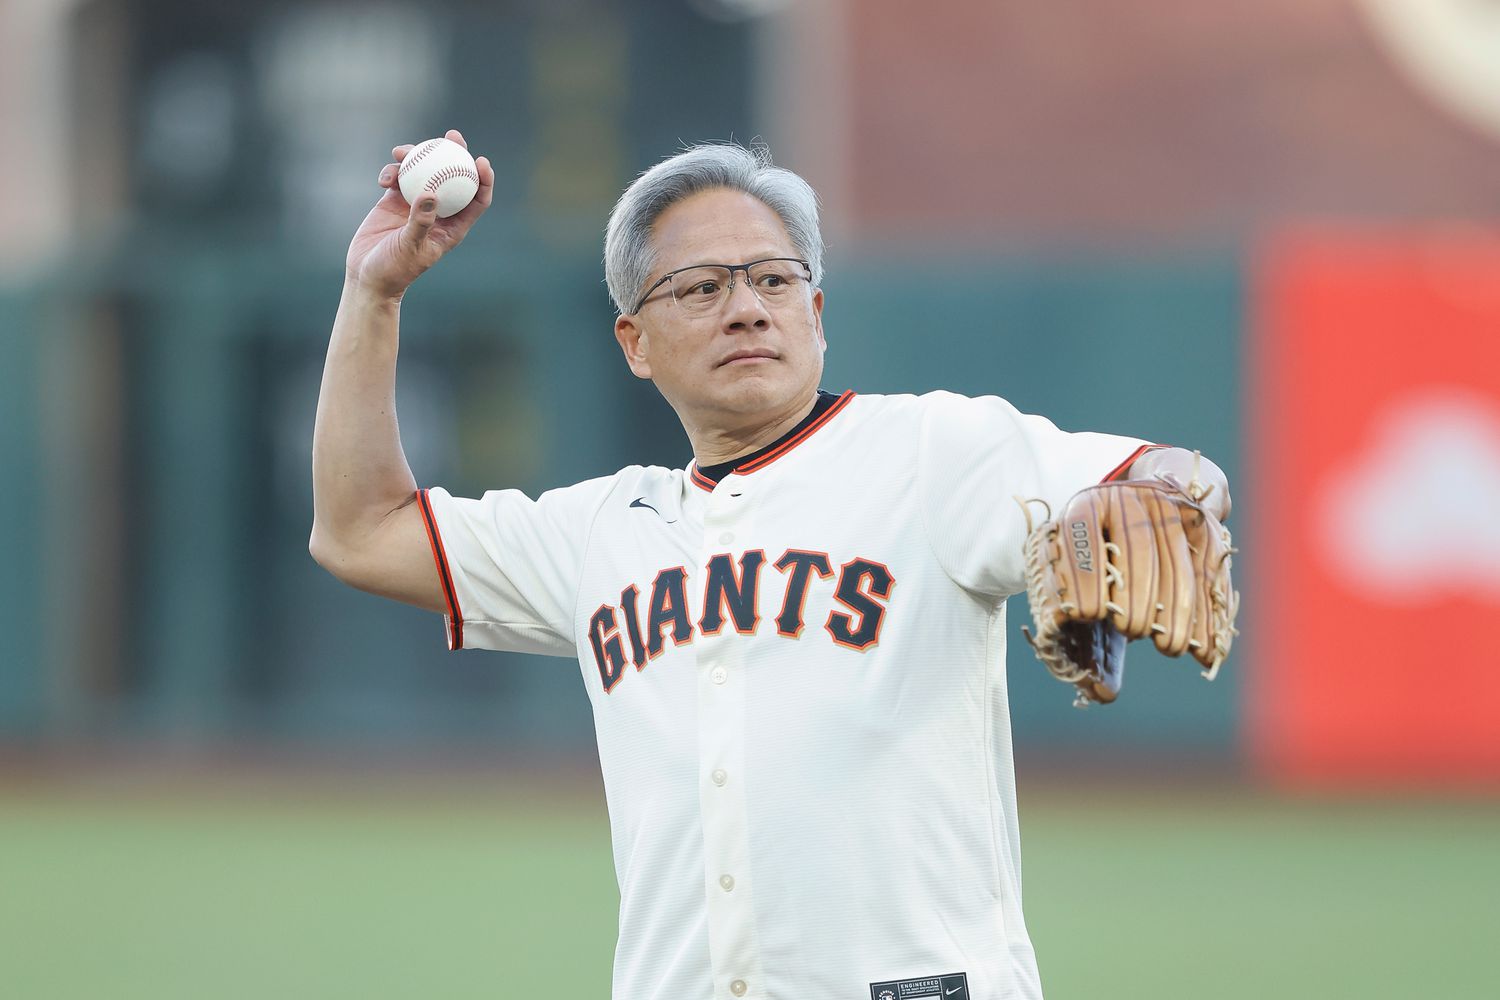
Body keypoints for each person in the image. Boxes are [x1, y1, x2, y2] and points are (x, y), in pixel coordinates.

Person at [311, 130, 1231, 1000]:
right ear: (634, 341)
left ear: (816, 313)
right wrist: (375, 294)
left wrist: (1166, 489)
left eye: (773, 280)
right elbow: (360, 531)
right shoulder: (600, 532)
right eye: (702, 287)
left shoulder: (929, 452)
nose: (747, 305)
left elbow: (1175, 474)